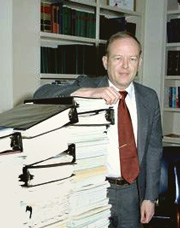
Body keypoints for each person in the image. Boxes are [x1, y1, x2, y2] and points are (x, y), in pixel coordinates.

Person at [33, 32, 163, 228]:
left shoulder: (149, 97)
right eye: (118, 58)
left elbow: (154, 150)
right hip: (92, 190)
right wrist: (89, 93)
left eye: (132, 59)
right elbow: (40, 95)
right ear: (105, 61)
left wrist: (150, 197)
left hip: (133, 194)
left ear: (140, 62)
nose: (125, 66)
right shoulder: (89, 86)